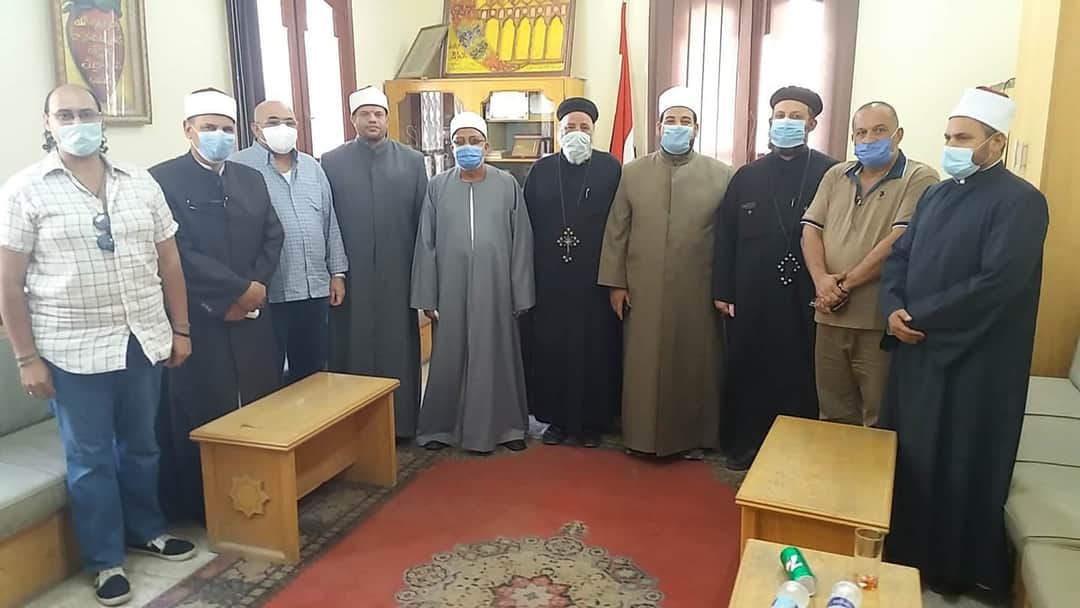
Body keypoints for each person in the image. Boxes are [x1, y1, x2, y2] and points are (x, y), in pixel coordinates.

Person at [0, 84, 196, 606]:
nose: (77, 122)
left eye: (86, 113)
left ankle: (146, 530)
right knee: (89, 458)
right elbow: (8, 283)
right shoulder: (25, 190)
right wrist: (26, 358)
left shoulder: (139, 182)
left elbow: (170, 261)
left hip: (140, 338)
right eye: (64, 115)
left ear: (101, 119)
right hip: (70, 350)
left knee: (142, 445)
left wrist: (180, 328)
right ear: (47, 123)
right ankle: (106, 560)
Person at [878, 87, 1048, 595]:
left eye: (963, 138)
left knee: (957, 462)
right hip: (917, 347)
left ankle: (953, 570)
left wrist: (919, 316)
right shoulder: (936, 194)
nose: (952, 146)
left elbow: (996, 282)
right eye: (949, 137)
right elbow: (900, 257)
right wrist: (892, 307)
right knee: (910, 455)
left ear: (996, 143)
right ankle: (904, 554)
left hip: (975, 359)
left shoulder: (1022, 202)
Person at [149, 88, 284, 523]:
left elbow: (273, 234)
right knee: (202, 411)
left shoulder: (250, 178)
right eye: (210, 128)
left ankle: (260, 497)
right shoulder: (162, 180)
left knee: (259, 406)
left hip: (253, 314)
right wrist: (233, 292)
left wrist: (256, 287)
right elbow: (176, 253)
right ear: (188, 130)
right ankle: (201, 508)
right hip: (199, 317)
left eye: (227, 128)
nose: (219, 136)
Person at [598, 86, 733, 459]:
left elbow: (728, 237)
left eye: (685, 121)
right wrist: (615, 284)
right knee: (643, 364)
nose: (677, 127)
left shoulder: (722, 175)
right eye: (670, 121)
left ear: (697, 128)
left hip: (698, 288)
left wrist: (724, 288)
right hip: (643, 289)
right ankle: (640, 437)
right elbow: (617, 230)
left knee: (694, 364)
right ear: (658, 127)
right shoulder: (633, 172)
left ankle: (695, 438)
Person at [713, 86, 839, 471]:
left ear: (812, 124)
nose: (786, 122)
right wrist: (723, 290)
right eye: (780, 116)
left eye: (796, 117)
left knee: (799, 372)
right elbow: (725, 235)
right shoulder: (747, 176)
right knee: (748, 368)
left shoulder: (831, 173)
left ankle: (796, 451)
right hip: (752, 293)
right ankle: (744, 446)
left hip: (805, 293)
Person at [800, 101, 938, 427]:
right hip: (829, 316)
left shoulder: (919, 177)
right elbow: (811, 230)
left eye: (879, 131)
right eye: (861, 133)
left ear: (898, 135)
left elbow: (899, 241)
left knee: (877, 417)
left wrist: (843, 286)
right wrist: (820, 280)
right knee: (833, 413)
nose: (869, 139)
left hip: (876, 319)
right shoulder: (836, 174)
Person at [411, 112, 534, 453]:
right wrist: (427, 295)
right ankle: (441, 428)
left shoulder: (507, 184)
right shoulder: (437, 187)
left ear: (486, 145)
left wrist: (521, 293)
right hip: (450, 288)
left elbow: (521, 241)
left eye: (474, 141)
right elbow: (425, 243)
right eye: (460, 142)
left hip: (497, 288)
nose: (467, 147)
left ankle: (507, 427)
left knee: (499, 355)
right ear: (451, 147)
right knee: (449, 356)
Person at [321, 86, 428, 440]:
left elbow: (423, 223)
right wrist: (335, 271)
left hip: (399, 273)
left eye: (378, 114)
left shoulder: (412, 161)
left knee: (399, 347)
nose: (372, 120)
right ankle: (353, 431)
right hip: (350, 277)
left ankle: (402, 425)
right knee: (352, 346)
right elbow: (327, 220)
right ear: (352, 119)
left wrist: (422, 278)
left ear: (387, 119)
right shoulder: (331, 162)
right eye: (365, 114)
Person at [522, 97, 622, 447]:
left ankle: (592, 422)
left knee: (594, 348)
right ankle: (556, 421)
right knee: (553, 348)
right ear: (558, 130)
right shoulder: (541, 170)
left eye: (584, 127)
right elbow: (526, 224)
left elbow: (621, 223)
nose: (576, 133)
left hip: (595, 279)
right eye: (569, 127)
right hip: (550, 279)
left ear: (594, 131)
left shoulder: (610, 169)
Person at [230, 99, 348, 385]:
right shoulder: (238, 167)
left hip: (314, 288)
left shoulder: (312, 167)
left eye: (289, 122)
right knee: (267, 375)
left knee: (314, 373)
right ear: (255, 128)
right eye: (273, 122)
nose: (282, 128)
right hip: (268, 293)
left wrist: (337, 273)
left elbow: (329, 221)